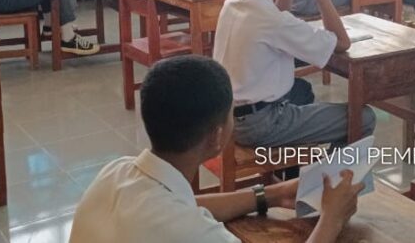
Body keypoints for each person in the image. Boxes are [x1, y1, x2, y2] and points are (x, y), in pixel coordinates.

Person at [69, 56, 363, 243]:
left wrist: (271, 194)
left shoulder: (116, 172)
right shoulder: (191, 232)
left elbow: (188, 206)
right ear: (217, 136)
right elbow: (184, 220)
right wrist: (331, 220)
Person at [213, 0, 376, 148]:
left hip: (228, 116)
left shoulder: (234, 1)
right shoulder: (274, 22)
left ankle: (291, 172)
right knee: (364, 117)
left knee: (302, 91)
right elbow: (342, 42)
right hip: (262, 124)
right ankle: (329, 178)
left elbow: (276, 18)